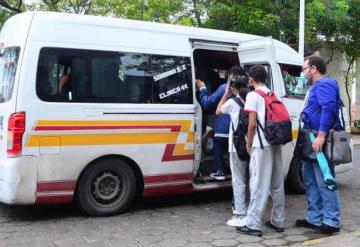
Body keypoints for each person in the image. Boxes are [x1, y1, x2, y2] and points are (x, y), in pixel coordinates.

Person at [236, 65, 285, 237]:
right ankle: (278, 220)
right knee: (277, 183)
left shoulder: (253, 95)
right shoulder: (272, 93)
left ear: (251, 79)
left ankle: (253, 224)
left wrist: (248, 144)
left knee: (258, 183)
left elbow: (251, 124)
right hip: (275, 142)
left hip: (261, 144)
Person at [295, 55, 341, 234]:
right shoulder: (316, 86)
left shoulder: (326, 84)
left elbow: (329, 109)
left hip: (318, 139)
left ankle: (331, 221)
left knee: (324, 180)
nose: (303, 72)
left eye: (304, 69)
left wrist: (321, 135)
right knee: (311, 180)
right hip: (309, 139)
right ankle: (314, 218)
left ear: (313, 69)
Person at [196, 66, 246, 181]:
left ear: (231, 77)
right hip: (239, 132)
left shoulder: (225, 88)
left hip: (224, 131)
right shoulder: (247, 90)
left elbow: (207, 103)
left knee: (217, 139)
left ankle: (219, 169)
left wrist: (202, 88)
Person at [215, 75, 249, 227]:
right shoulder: (249, 99)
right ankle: (248, 211)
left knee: (238, 180)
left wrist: (225, 93)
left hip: (236, 146)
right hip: (249, 144)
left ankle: (240, 214)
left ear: (233, 87)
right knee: (249, 179)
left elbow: (217, 111)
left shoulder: (231, 102)